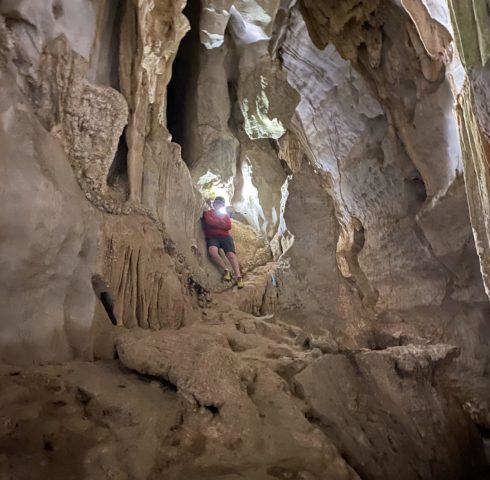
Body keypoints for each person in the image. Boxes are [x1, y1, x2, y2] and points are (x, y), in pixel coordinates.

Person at [202, 196, 244, 289]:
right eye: (217, 203)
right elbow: (209, 222)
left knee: (231, 255)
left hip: (225, 237)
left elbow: (228, 226)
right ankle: (226, 270)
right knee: (212, 251)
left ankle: (239, 277)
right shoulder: (208, 213)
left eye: (220, 204)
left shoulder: (224, 215)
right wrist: (221, 223)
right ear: (214, 204)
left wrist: (216, 222)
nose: (218, 205)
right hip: (212, 237)